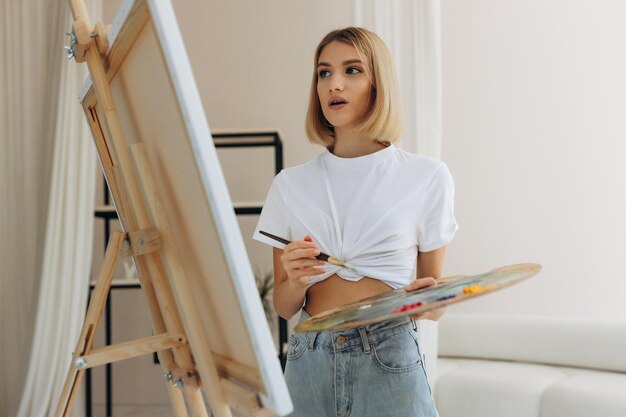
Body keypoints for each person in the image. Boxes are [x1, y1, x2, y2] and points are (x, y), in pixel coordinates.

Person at [253, 27, 458, 417]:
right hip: (309, 358)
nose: (335, 84)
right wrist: (295, 280)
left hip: (389, 354)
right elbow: (283, 306)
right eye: (324, 73)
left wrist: (426, 299)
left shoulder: (427, 177)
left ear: (377, 83)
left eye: (352, 70)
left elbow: (434, 306)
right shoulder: (290, 185)